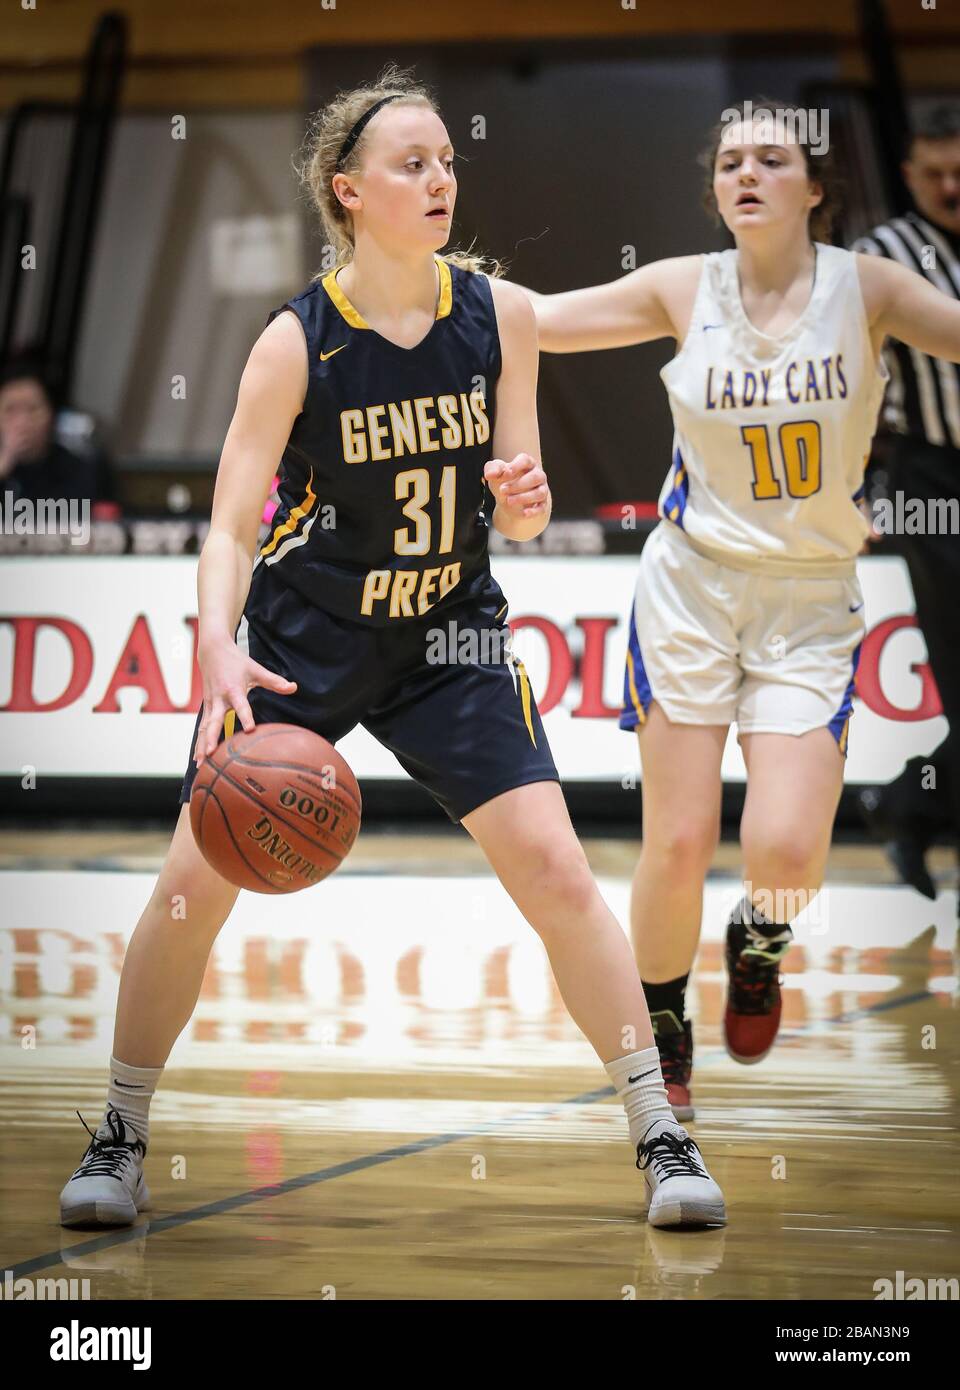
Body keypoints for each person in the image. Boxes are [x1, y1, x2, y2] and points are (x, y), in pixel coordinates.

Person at [58, 67, 725, 1233]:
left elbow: (517, 508)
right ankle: (120, 1131)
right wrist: (214, 647)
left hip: (449, 632)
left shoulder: (498, 315)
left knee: (561, 872)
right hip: (302, 637)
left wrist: (523, 494)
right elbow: (226, 524)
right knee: (187, 889)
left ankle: (661, 1136)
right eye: (411, 163)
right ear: (347, 189)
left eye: (447, 161)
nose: (439, 179)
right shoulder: (295, 342)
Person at [519, 98, 960, 1119]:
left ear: (817, 187)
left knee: (790, 849)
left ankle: (758, 944)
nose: (747, 175)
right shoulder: (685, 287)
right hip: (692, 588)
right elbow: (535, 319)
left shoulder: (870, 287)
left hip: (809, 600)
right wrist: (413, 288)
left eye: (772, 158)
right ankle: (664, 1027)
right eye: (729, 163)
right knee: (678, 840)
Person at [852, 106, 960, 907]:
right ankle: (911, 808)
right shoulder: (882, 257)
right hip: (935, 480)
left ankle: (906, 804)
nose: (950, 186)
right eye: (933, 173)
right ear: (910, 173)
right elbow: (852, 378)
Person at [0, 360, 117, 512]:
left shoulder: (80, 469)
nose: (22, 422)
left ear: (52, 414)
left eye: (33, 409)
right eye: (10, 410)